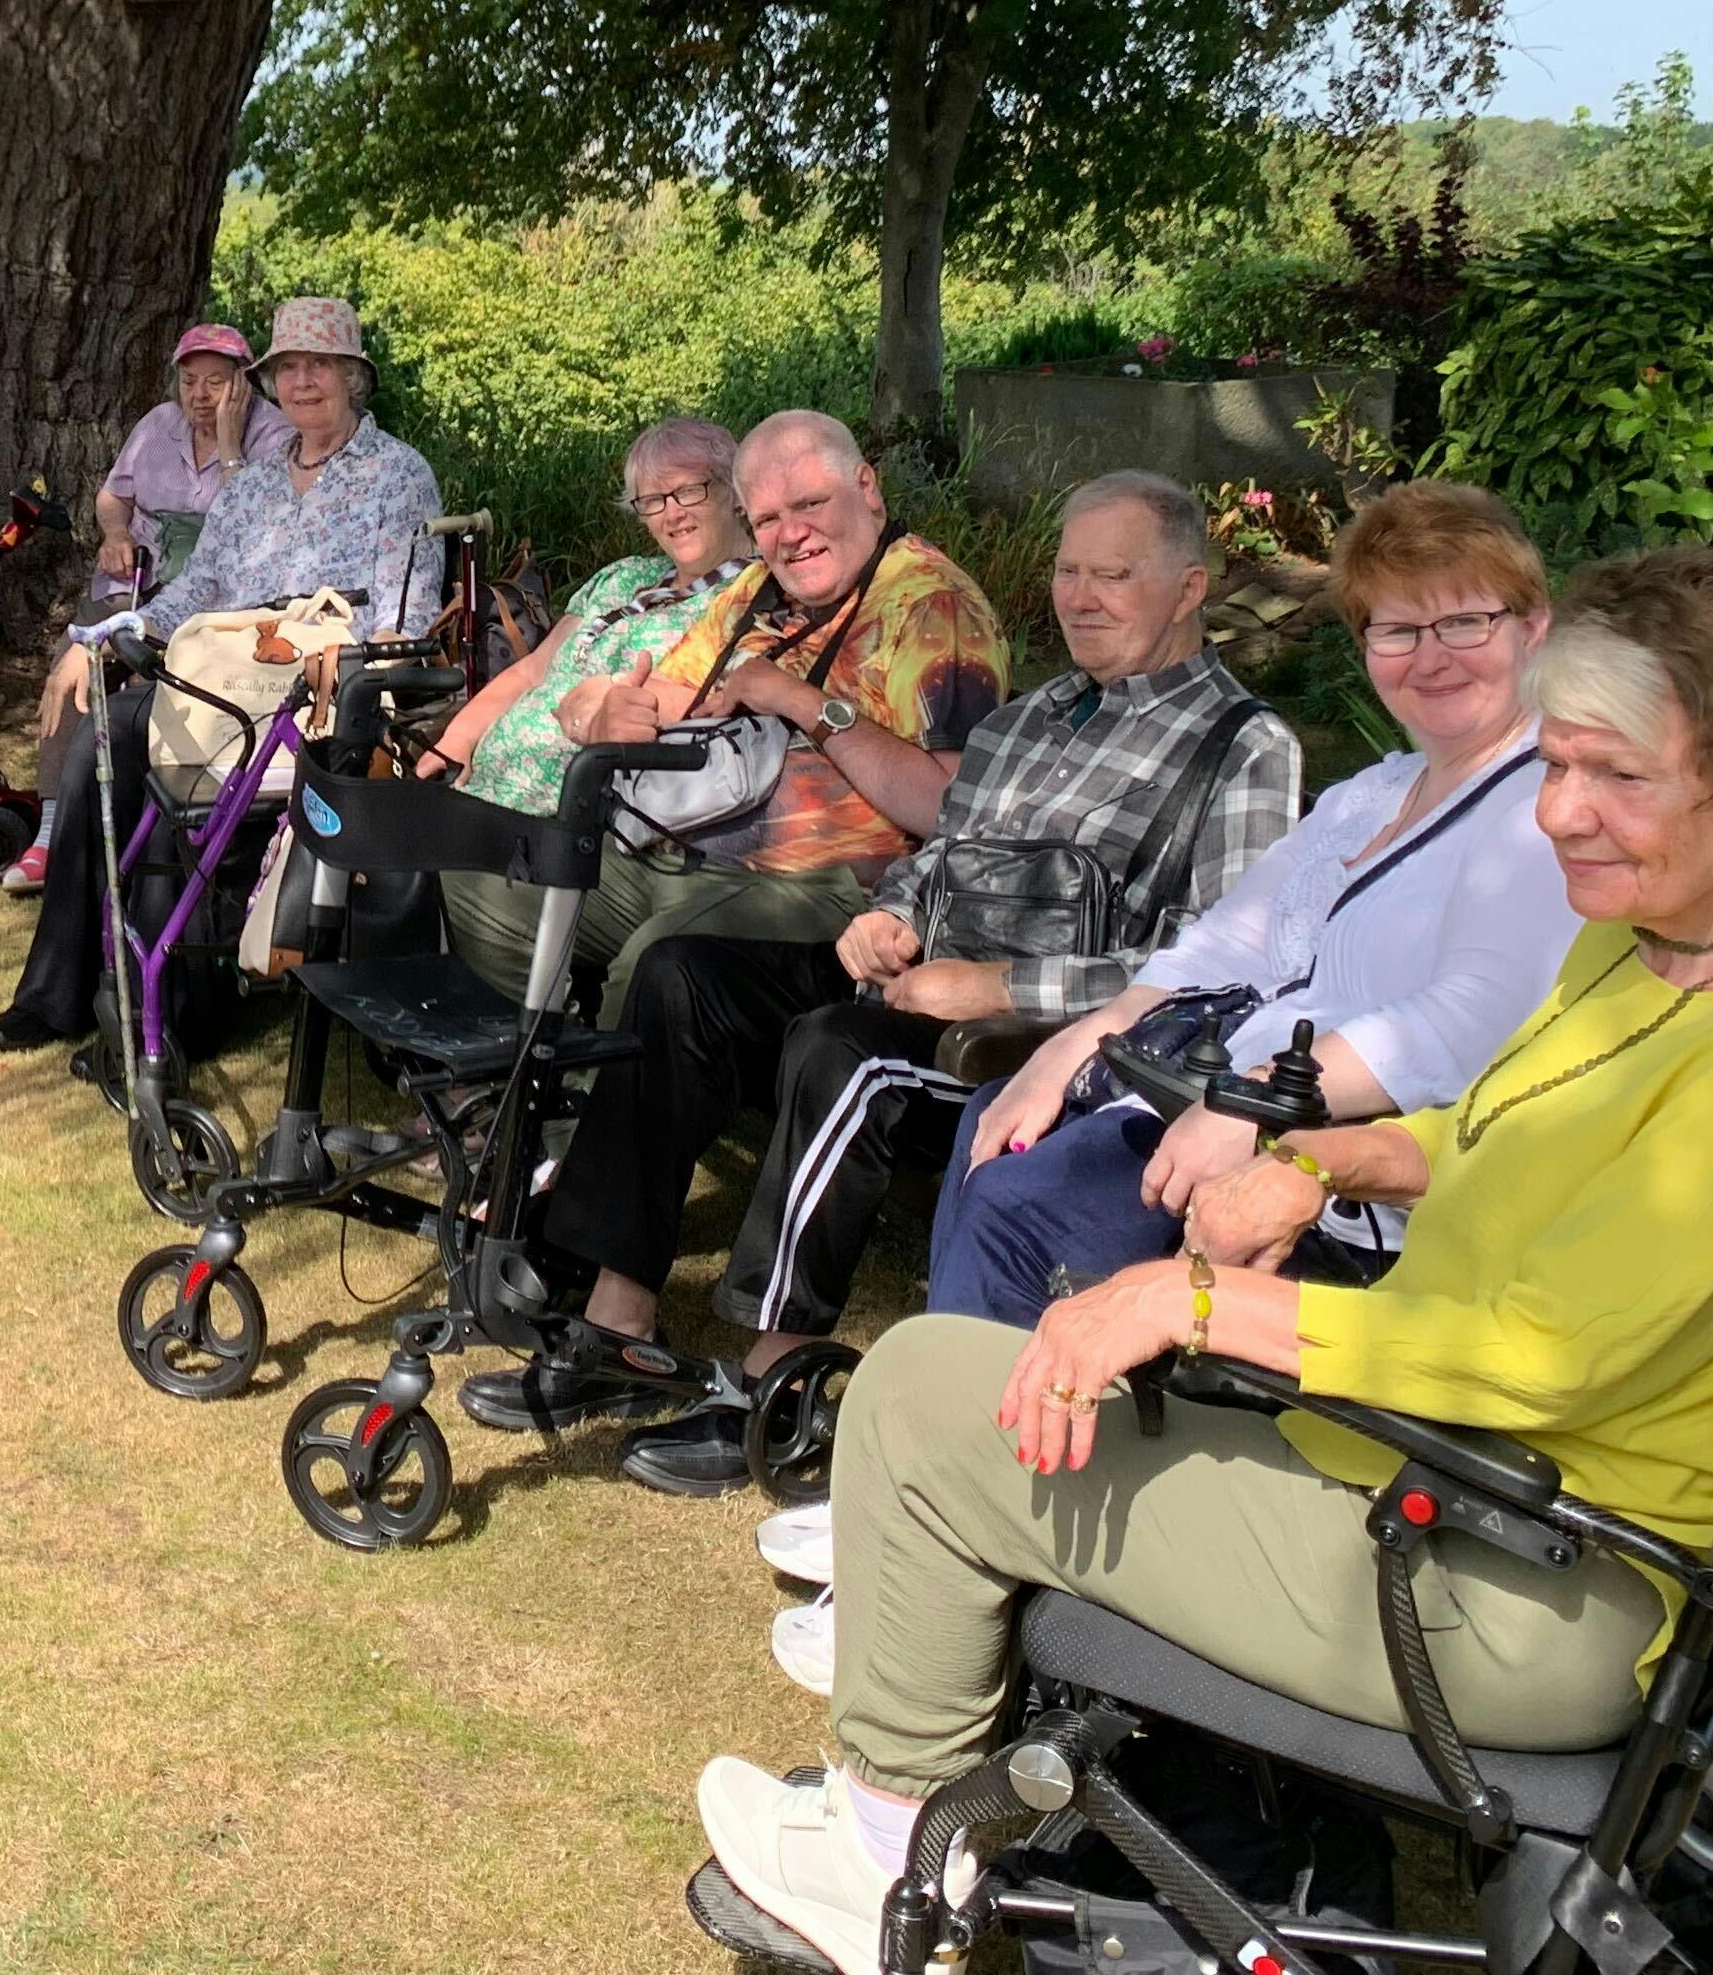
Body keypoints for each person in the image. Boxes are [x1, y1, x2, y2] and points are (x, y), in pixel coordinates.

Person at [694, 545, 1713, 1975]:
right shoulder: (1656, 952)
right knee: (982, 1365)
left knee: (922, 1400)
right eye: (1555, 764)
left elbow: (1545, 1353)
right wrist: (1323, 1162)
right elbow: (1500, 1134)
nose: (1560, 813)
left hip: (1514, 1584)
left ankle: (879, 1859)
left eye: (1617, 775)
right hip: (1452, 1491)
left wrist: (1191, 1300)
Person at [750, 481, 1576, 1650]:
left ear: (1533, 627)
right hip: (1222, 1100)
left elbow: (1462, 1020)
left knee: (1025, 1206)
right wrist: (1072, 1049)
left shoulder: (1540, 810)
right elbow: (1223, 942)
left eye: (1465, 623)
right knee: (1006, 1124)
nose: (1428, 656)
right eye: (1398, 628)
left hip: (1356, 1180)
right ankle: (940, 1499)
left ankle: (944, 1540)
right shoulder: (1380, 792)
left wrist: (1251, 1110)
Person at [480, 472, 1290, 1469]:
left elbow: (1223, 976)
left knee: (846, 1053)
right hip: (921, 988)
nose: (1080, 598)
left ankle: (779, 1381)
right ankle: (619, 1320)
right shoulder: (1033, 718)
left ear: (1189, 587)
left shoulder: (1242, 746)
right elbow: (939, 855)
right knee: (682, 977)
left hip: (1043, 1051)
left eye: (1113, 576)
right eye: (1068, 572)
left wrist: (998, 988)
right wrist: (890, 918)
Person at [439, 411, 1008, 1032]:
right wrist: (611, 712)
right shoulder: (755, 589)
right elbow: (667, 693)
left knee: (655, 958)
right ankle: (548, 1059)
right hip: (678, 849)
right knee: (479, 888)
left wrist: (798, 700)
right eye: (768, 519)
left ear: (867, 488)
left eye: (810, 504)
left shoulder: (930, 606)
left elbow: (945, 807)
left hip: (821, 884)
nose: (792, 535)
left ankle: (580, 1090)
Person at [0, 295, 444, 1054]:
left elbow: (409, 614)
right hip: (226, 680)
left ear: (352, 378)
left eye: (319, 366)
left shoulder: (398, 475)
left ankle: (170, 1019)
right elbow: (198, 588)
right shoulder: (254, 485)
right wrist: (102, 635)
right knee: (107, 736)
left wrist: (345, 667)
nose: (302, 382)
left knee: (183, 779)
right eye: (288, 368)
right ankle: (57, 992)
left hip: (318, 697)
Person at [6, 324, 294, 898]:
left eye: (216, 381)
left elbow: (260, 529)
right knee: (73, 661)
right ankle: (49, 831)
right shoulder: (157, 426)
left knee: (158, 687)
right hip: (137, 578)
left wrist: (230, 446)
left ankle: (154, 831)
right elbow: (113, 494)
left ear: (245, 383)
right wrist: (115, 533)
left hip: (217, 598)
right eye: (189, 381)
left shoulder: (276, 435)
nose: (200, 395)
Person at [415, 416, 753, 807]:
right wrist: (457, 739)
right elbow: (531, 671)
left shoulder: (751, 597)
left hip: (578, 815)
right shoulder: (624, 576)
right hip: (480, 788)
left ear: (734, 491)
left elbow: (708, 708)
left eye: (689, 491)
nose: (671, 513)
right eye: (653, 500)